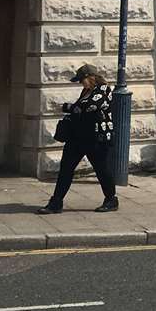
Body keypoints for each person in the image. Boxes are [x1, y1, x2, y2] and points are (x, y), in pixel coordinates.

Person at [38, 64, 118, 214]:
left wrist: (69, 107)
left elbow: (87, 107)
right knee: (66, 169)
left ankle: (111, 199)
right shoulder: (86, 91)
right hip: (78, 137)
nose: (81, 83)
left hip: (96, 138)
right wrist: (73, 107)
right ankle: (56, 202)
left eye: (82, 80)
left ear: (91, 77)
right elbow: (79, 108)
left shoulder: (104, 90)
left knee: (101, 169)